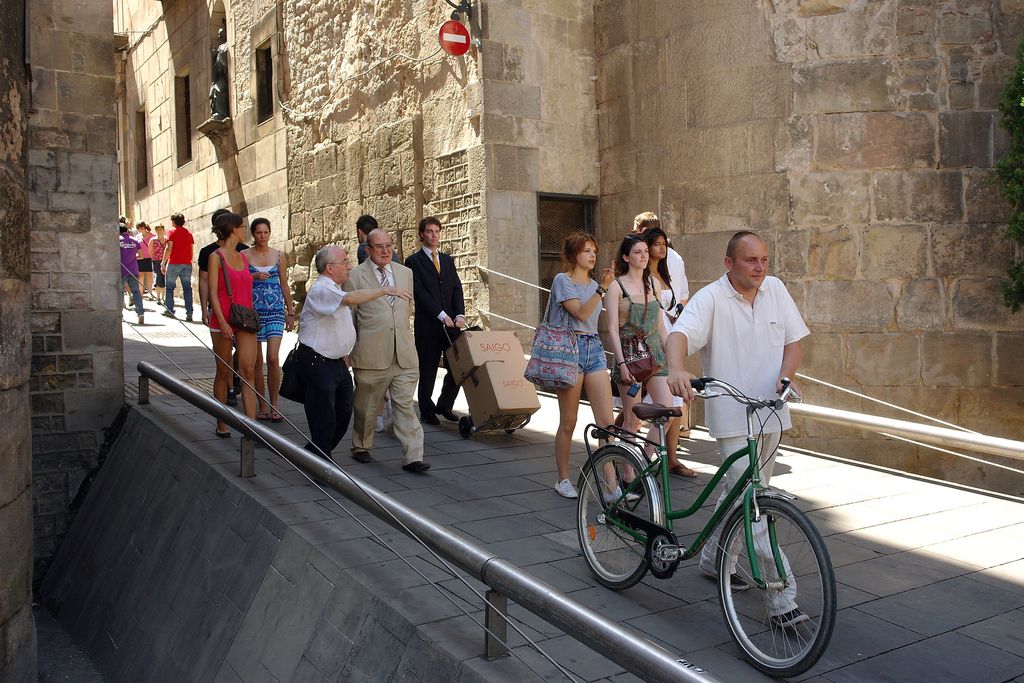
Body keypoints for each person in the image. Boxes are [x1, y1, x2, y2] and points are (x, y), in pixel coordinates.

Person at [667, 231, 809, 625]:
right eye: (751, 260)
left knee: (741, 489)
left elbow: (794, 342)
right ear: (729, 263)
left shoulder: (776, 289)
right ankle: (782, 596)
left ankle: (714, 558)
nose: (760, 267)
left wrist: (785, 377)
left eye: (764, 259)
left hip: (770, 412)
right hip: (730, 415)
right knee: (754, 501)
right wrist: (678, 368)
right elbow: (679, 335)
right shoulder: (711, 298)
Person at [297, 245, 410, 461]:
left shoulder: (334, 288)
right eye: (344, 262)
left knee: (343, 412)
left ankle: (314, 455)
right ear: (330, 268)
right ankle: (321, 463)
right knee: (324, 417)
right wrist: (385, 290)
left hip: (337, 363)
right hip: (317, 362)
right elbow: (350, 299)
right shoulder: (322, 289)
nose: (349, 266)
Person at [347, 228, 427, 472]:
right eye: (379, 247)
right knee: (367, 406)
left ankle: (413, 456)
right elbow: (350, 317)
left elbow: (406, 311)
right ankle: (362, 445)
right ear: (368, 249)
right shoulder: (355, 276)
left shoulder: (405, 273)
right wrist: (348, 350)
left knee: (404, 404)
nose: (385, 251)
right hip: (371, 353)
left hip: (403, 351)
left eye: (389, 246)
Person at [550, 231, 615, 498]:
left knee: (607, 422)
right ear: (574, 254)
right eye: (587, 250)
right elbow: (580, 313)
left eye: (594, 251)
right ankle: (563, 479)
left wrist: (602, 287)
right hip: (570, 349)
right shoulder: (562, 280)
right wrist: (603, 288)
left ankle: (612, 486)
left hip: (594, 349)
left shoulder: (595, 284)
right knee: (569, 420)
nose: (592, 255)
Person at [606, 235, 680, 466]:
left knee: (668, 412)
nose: (644, 256)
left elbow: (660, 327)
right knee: (631, 422)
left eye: (645, 251)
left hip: (655, 356)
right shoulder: (616, 287)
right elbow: (612, 330)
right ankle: (628, 474)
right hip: (630, 358)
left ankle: (643, 461)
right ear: (626, 257)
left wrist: (675, 362)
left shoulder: (654, 285)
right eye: (637, 252)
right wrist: (621, 364)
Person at [642, 226, 697, 477]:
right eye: (656, 244)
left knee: (672, 401)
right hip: (653, 342)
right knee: (657, 403)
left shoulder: (666, 272)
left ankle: (666, 458)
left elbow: (679, 301)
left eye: (664, 243)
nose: (662, 248)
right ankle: (637, 458)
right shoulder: (644, 277)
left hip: (670, 337)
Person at [405, 216, 466, 425]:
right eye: (430, 231)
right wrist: (440, 314)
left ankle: (445, 405)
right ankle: (427, 410)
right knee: (428, 369)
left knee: (457, 367)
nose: (434, 235)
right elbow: (419, 292)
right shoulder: (413, 262)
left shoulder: (448, 260)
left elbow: (456, 288)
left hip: (451, 326)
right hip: (429, 325)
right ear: (422, 234)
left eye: (437, 232)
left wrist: (460, 314)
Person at [207, 212, 258, 437]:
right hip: (223, 321)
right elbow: (213, 293)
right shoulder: (216, 256)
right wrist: (222, 321)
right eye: (242, 226)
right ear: (234, 229)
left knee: (248, 370)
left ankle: (252, 427)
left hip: (245, 319)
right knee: (223, 371)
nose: (245, 229)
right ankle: (221, 421)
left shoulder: (244, 257)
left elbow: (243, 285)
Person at [247, 217, 295, 422]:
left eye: (266, 232)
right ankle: (262, 404)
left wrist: (290, 311)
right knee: (257, 361)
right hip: (253, 313)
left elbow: (284, 283)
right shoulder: (244, 255)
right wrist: (253, 277)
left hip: (275, 310)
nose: (263, 236)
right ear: (253, 234)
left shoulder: (279, 255)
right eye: (259, 233)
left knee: (273, 359)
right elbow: (238, 281)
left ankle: (275, 403)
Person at [199, 208, 249, 404]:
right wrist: (204, 308)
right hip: (221, 311)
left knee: (247, 363)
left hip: (242, 314)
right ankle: (228, 389)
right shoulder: (209, 253)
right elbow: (205, 282)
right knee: (222, 363)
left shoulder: (244, 252)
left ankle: (236, 382)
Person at [161, 212, 195, 321]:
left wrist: (163, 262)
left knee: (170, 287)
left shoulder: (171, 231)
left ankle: (169, 310)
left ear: (174, 222)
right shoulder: (188, 233)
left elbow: (169, 248)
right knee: (187, 289)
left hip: (174, 263)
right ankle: (189, 312)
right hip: (187, 263)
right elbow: (191, 248)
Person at [119, 224, 145, 325]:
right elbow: (141, 255)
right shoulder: (134, 240)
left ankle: (120, 314)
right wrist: (133, 257)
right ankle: (140, 313)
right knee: (136, 292)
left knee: (120, 292)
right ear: (127, 231)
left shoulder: (117, 240)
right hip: (133, 269)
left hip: (122, 270)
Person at [136, 222, 156, 299]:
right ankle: (140, 293)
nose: (138, 230)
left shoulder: (152, 236)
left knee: (149, 276)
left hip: (149, 258)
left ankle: (150, 293)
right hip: (140, 258)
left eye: (138, 228)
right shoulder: (137, 237)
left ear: (143, 227)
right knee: (140, 276)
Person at [151, 224, 167, 303]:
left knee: (164, 279)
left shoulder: (167, 240)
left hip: (166, 260)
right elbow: (150, 251)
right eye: (157, 229)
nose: (159, 231)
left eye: (160, 229)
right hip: (156, 261)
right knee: (158, 278)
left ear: (163, 230)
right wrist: (154, 258)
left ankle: (163, 297)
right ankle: (158, 298)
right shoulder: (153, 240)